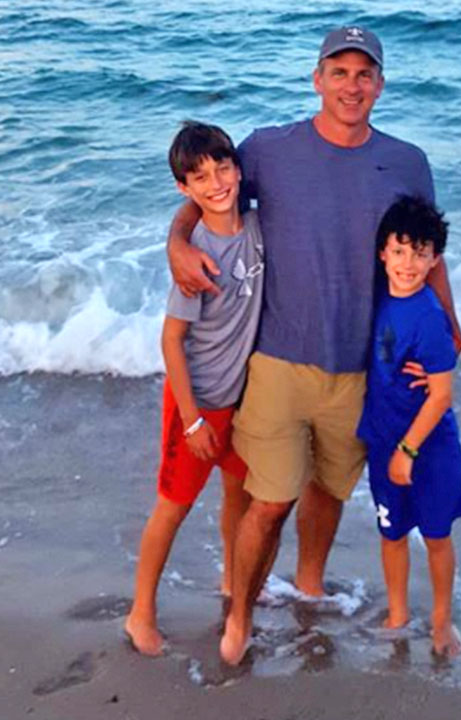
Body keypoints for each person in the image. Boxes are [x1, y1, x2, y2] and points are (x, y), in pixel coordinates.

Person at [165, 26, 461, 665]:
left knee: (329, 491)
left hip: (362, 367)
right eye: (339, 72)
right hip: (276, 360)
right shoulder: (270, 151)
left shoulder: (408, 161)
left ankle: (308, 586)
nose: (351, 85)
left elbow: (428, 252)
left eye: (364, 74)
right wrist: (177, 242)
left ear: (379, 84)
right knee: (271, 500)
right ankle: (240, 615)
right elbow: (206, 192)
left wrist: (449, 324)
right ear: (316, 78)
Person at [124, 122, 263, 656]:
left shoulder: (255, 228)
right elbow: (172, 340)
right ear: (184, 189)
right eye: (199, 177)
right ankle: (141, 613)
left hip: (242, 399)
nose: (215, 182)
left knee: (238, 493)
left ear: (238, 170)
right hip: (198, 404)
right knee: (173, 506)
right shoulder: (194, 257)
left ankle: (231, 581)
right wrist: (192, 419)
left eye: (222, 168)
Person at [358, 196, 461, 658]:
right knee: (392, 533)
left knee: (437, 536)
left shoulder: (428, 316)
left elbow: (442, 394)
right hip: (383, 439)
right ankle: (398, 613)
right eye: (399, 251)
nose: (408, 263)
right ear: (383, 251)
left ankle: (442, 620)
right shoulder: (377, 296)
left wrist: (408, 450)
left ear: (434, 260)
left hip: (429, 448)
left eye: (420, 254)